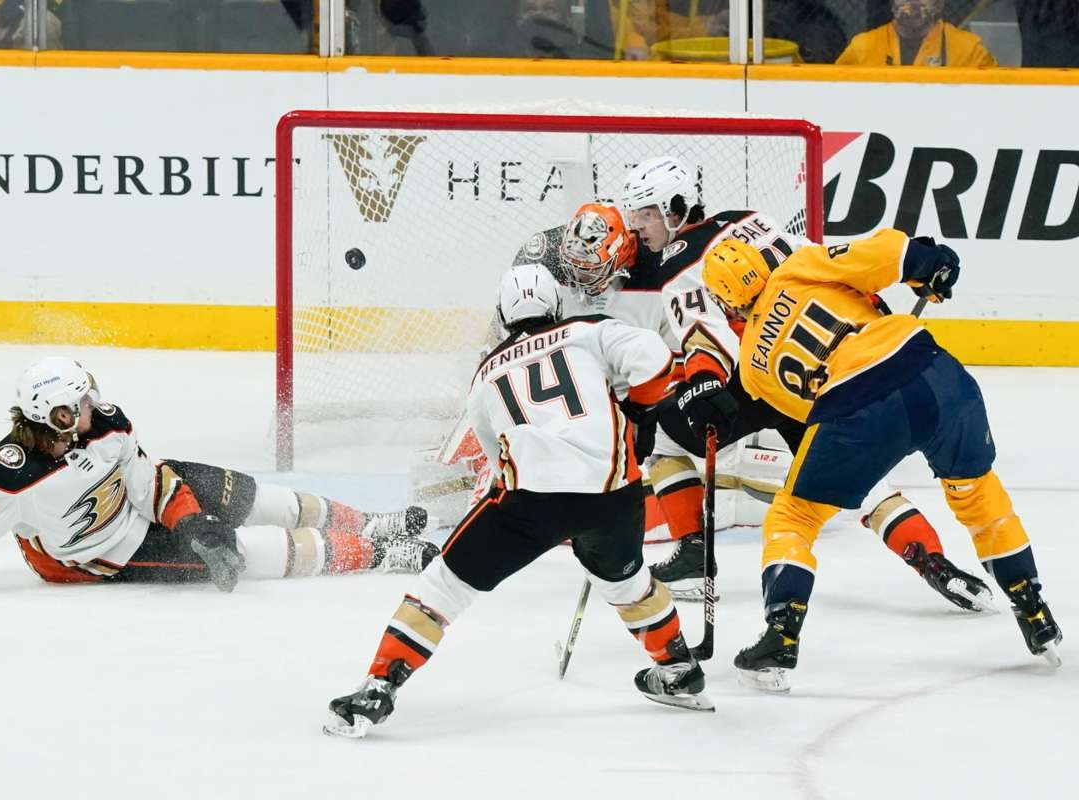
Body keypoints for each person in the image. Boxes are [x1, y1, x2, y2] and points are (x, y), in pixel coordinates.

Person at [324, 263, 713, 738]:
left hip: (532, 500)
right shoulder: (590, 330)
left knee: (444, 585)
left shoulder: (486, 374)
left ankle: (379, 686)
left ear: (503, 315)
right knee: (626, 582)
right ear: (556, 304)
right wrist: (640, 411)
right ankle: (678, 669)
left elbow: (496, 460)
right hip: (613, 494)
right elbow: (654, 358)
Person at [611, 156, 991, 614]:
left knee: (662, 437)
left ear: (676, 208)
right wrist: (878, 292)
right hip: (811, 371)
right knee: (854, 470)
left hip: (758, 376)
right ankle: (931, 559)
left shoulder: (677, 264)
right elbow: (821, 263)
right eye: (634, 215)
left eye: (646, 213)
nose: (637, 226)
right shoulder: (749, 219)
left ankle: (694, 554)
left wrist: (702, 385)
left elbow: (706, 339)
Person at [700, 230, 1062, 692]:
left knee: (795, 517)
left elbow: (811, 413)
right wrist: (928, 264)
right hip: (933, 372)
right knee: (977, 493)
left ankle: (781, 634)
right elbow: (890, 252)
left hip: (859, 410)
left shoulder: (751, 366)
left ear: (727, 302)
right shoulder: (796, 268)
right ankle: (1033, 608)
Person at [0, 357, 438, 605]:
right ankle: (378, 554)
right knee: (248, 551)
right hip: (103, 552)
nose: (95, 402)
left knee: (249, 496)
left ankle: (370, 524)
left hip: (133, 499)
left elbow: (145, 481)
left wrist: (191, 522)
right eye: (82, 401)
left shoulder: (106, 424)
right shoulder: (10, 475)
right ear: (60, 416)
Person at [835, 0, 995, 66]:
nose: (912, 2)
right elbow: (835, 92)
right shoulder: (863, 47)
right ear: (892, 3)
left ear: (939, 5)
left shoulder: (968, 50)